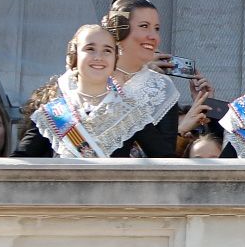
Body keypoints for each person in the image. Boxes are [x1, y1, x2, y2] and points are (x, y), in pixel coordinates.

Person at [17, 24, 176, 158]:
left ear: (115, 58)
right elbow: (17, 164)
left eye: (107, 50)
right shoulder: (54, 113)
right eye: (90, 49)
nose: (98, 56)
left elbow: (168, 163)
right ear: (75, 56)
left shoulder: (130, 113)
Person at [99, 0, 183, 155]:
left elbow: (166, 159)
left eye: (157, 29)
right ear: (119, 30)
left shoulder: (162, 87)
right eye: (144, 26)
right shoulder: (92, 76)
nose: (153, 37)